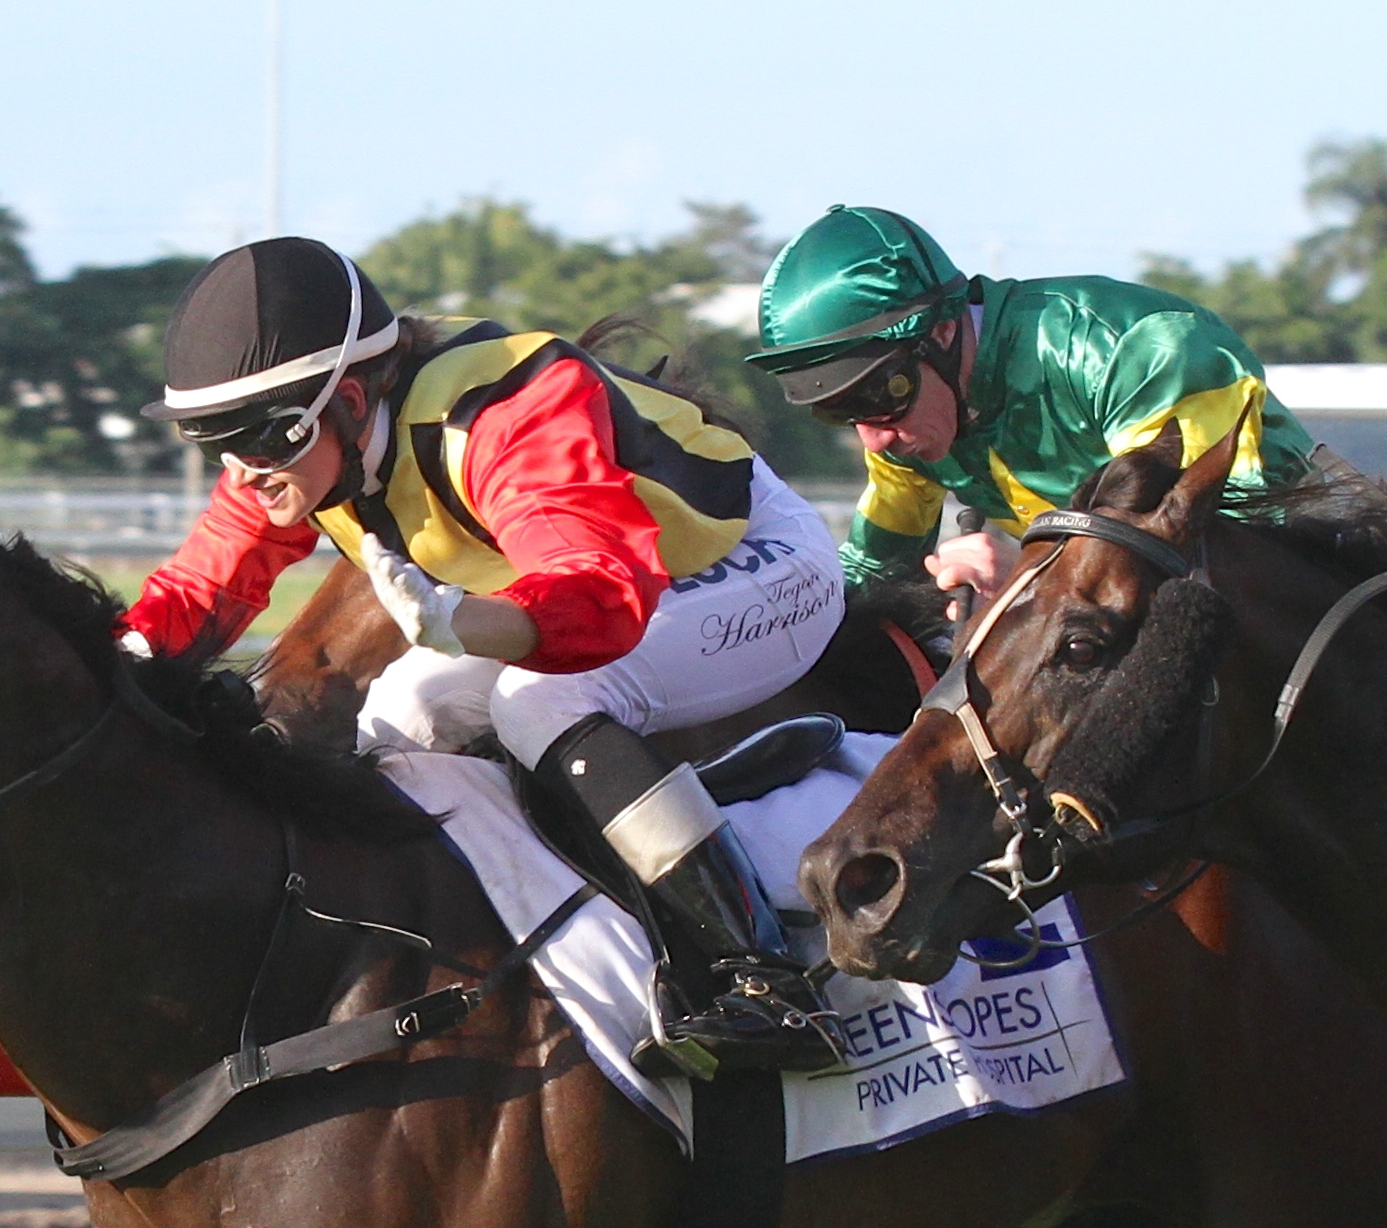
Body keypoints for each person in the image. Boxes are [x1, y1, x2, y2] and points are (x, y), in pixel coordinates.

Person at [122, 237, 846, 1076]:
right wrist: (94, 664)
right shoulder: (299, 444)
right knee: (402, 715)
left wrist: (465, 620)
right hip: (588, 583)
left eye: (260, 441)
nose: (244, 473)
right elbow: (196, 592)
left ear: (349, 399)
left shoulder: (508, 416)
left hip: (752, 563)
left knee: (541, 702)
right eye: (218, 444)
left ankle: (762, 977)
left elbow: (599, 603)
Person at [746, 205, 1320, 610]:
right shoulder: (905, 423)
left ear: (943, 331)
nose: (874, 439)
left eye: (879, 394)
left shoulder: (1138, 351)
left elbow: (1216, 553)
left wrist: (1029, 579)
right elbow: (870, 577)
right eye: (840, 412)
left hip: (1301, 606)